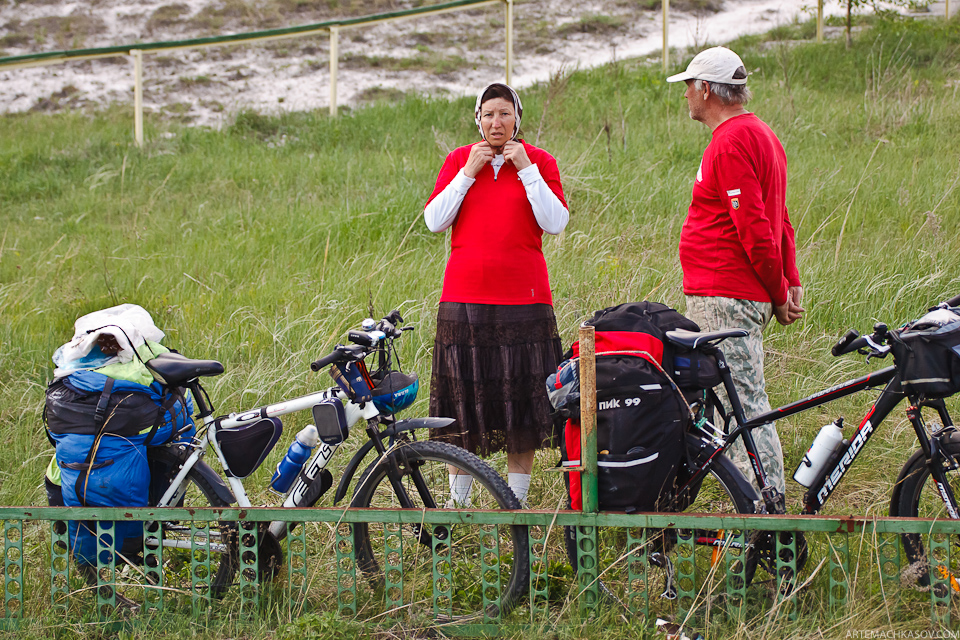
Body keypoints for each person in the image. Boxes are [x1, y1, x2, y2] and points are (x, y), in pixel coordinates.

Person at [667, 47, 804, 501]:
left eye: (689, 84)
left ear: (706, 89)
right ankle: (744, 501)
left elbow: (755, 227)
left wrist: (779, 287)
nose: (686, 94)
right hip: (737, 291)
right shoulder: (764, 134)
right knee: (730, 403)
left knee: (744, 405)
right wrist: (790, 280)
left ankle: (769, 515)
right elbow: (780, 216)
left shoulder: (729, 141)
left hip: (725, 294)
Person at [423, 82, 569, 507]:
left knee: (520, 406)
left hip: (525, 302)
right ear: (477, 118)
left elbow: (555, 221)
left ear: (516, 119)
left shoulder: (540, 161)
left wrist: (526, 170)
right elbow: (434, 220)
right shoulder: (458, 160)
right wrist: (468, 173)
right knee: (463, 403)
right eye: (488, 114)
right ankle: (458, 505)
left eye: (504, 113)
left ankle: (514, 504)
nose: (496, 122)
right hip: (463, 301)